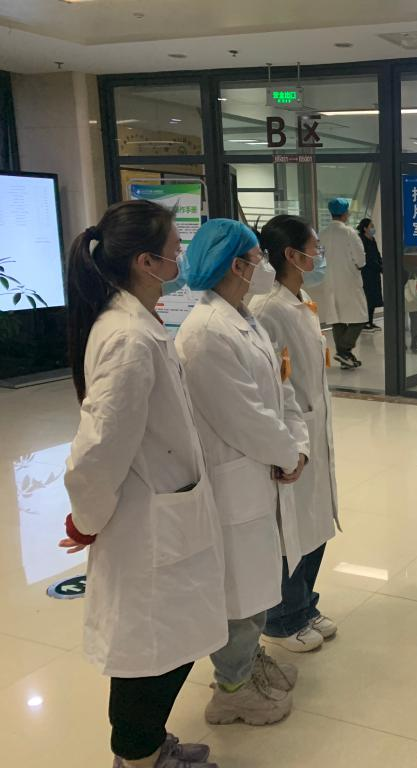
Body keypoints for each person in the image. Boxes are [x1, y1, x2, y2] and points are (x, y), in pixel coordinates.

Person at [61, 200, 227, 768]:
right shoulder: (128, 338)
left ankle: (150, 745)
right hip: (144, 523)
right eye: (174, 249)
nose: (182, 257)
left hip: (166, 510)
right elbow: (99, 448)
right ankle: (137, 758)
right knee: (148, 654)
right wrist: (85, 520)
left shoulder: (139, 324)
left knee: (169, 643)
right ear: (146, 262)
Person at [176, 219, 310, 725]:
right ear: (237, 265)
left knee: (258, 582)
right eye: (257, 258)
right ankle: (231, 686)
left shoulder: (244, 318)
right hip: (235, 479)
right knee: (238, 589)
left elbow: (281, 389)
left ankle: (249, 661)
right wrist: (288, 453)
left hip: (262, 470)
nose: (264, 266)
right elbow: (244, 416)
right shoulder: (205, 333)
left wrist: (295, 447)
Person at [251, 215, 341, 654]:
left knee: (315, 522)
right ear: (291, 254)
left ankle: (305, 604)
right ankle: (282, 618)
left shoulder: (301, 299)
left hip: (313, 428)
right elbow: (266, 383)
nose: (319, 255)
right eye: (314, 247)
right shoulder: (267, 309)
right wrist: (285, 443)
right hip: (292, 433)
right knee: (292, 529)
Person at [309, 197, 367, 369]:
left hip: (329, 280)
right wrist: (356, 266)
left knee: (337, 318)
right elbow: (361, 259)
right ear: (345, 213)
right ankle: (344, 350)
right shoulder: (349, 233)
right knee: (360, 317)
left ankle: (345, 357)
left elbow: (317, 258)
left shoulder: (322, 234)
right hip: (349, 281)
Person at [357, 217, 383, 331]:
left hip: (375, 273)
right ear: (365, 228)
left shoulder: (372, 240)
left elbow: (377, 254)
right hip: (366, 273)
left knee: (373, 298)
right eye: (371, 226)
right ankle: (365, 323)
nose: (373, 228)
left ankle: (370, 322)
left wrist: (382, 266)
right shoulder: (361, 240)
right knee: (367, 298)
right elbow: (366, 258)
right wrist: (379, 267)